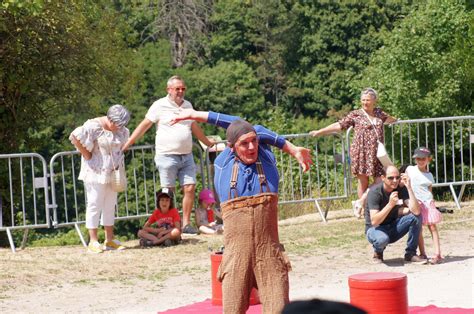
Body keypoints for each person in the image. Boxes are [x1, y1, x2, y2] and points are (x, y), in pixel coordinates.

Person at [171, 108, 313, 314]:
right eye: (244, 143)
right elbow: (236, 123)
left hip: (269, 253)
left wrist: (290, 148)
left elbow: (256, 129)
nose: (251, 146)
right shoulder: (223, 162)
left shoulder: (266, 157)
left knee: (279, 309)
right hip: (236, 256)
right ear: (231, 147)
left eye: (254, 141)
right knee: (232, 310)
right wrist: (194, 115)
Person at [122, 75, 214, 235]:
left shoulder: (187, 105)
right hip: (166, 155)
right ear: (169, 90)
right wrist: (129, 143)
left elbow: (194, 126)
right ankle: (169, 226)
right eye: (177, 88)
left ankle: (185, 224)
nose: (180, 91)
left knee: (190, 187)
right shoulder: (159, 105)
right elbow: (145, 125)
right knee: (168, 193)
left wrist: (207, 142)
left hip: (186, 155)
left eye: (183, 88)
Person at [309, 88, 397, 218]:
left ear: (374, 101)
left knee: (380, 180)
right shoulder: (356, 114)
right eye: (363, 100)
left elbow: (390, 119)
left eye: (368, 100)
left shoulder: (379, 113)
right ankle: (363, 208)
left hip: (377, 154)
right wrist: (320, 131)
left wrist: (397, 120)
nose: (365, 102)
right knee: (363, 181)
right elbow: (339, 125)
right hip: (361, 153)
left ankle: (360, 202)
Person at [69, 104, 131, 253]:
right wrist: (87, 155)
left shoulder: (121, 129)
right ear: (109, 119)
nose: (119, 127)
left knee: (110, 204)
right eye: (117, 124)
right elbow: (75, 136)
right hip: (95, 172)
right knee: (95, 203)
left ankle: (109, 239)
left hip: (113, 172)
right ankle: (93, 240)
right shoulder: (93, 126)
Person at [365, 165, 427, 264]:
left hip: (393, 227)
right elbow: (374, 221)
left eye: (397, 177)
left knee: (416, 217)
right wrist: (390, 204)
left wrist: (409, 187)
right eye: (391, 178)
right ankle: (378, 252)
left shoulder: (401, 189)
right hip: (375, 229)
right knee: (382, 239)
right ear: (383, 178)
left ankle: (410, 253)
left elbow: (416, 211)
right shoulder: (375, 192)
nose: (395, 180)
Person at [406, 147, 443, 264]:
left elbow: (429, 190)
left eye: (423, 159)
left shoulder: (429, 175)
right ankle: (422, 253)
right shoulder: (410, 169)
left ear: (429, 159)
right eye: (418, 158)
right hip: (416, 202)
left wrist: (432, 202)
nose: (420, 161)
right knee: (418, 229)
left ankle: (437, 253)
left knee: (432, 227)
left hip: (427, 202)